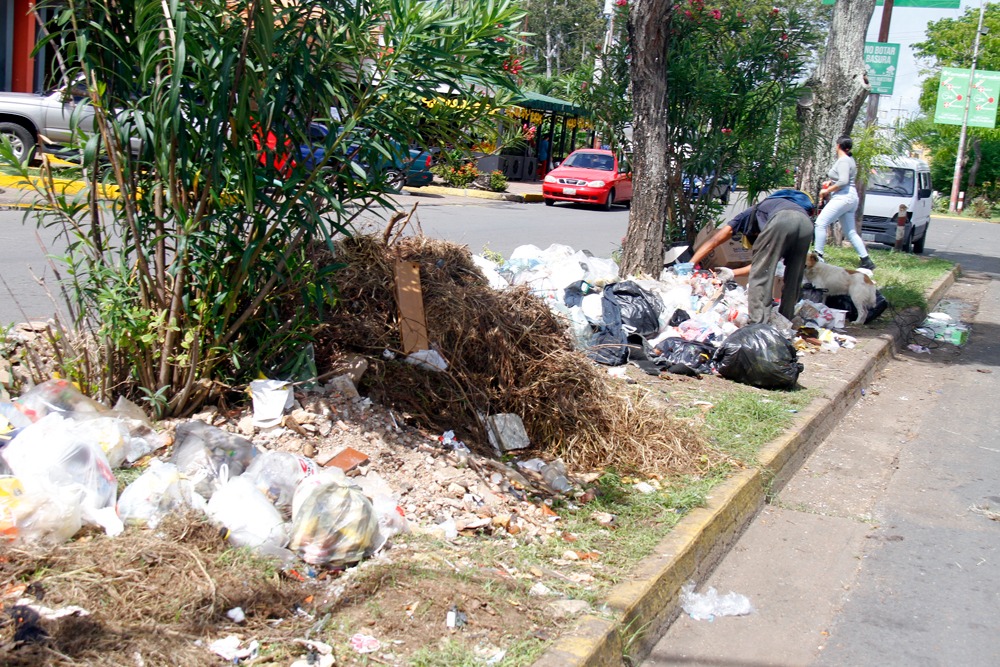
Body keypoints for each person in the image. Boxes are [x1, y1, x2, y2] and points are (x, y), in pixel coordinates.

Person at [690, 190, 814, 325]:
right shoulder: (778, 207)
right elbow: (763, 263)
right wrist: (732, 273)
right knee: (794, 277)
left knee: (761, 277)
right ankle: (786, 321)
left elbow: (715, 240)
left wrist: (689, 265)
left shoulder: (748, 215)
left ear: (754, 233)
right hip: (806, 225)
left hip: (782, 220)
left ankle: (757, 325)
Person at [814, 136, 876, 271]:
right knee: (850, 232)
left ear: (837, 146)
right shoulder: (850, 160)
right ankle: (866, 260)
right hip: (851, 197)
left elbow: (843, 181)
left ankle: (818, 255)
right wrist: (831, 182)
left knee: (820, 223)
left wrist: (826, 191)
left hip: (843, 197)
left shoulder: (843, 161)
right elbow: (843, 179)